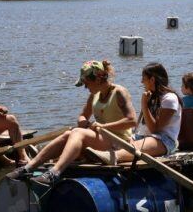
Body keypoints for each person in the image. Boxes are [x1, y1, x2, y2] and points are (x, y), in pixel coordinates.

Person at [7, 60, 137, 185]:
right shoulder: (94, 94)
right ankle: (28, 167)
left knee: (77, 133)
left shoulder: (119, 92)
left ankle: (54, 172)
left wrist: (103, 126)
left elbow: (132, 121)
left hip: (119, 141)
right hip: (101, 137)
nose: (85, 87)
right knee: (69, 134)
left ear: (97, 79)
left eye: (86, 83)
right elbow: (82, 116)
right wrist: (85, 123)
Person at [118, 62, 182, 161]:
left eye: (143, 78)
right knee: (119, 140)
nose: (141, 82)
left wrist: (144, 104)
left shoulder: (169, 98)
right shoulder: (151, 96)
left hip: (164, 140)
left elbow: (155, 129)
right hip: (143, 136)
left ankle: (113, 156)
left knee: (133, 147)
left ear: (152, 79)